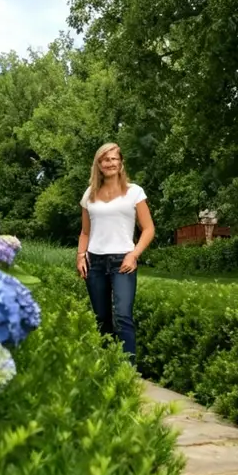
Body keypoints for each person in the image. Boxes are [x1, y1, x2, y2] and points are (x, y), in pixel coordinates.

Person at [77, 142, 155, 365]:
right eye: (104, 159)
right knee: (101, 318)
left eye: (113, 158)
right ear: (98, 164)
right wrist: (80, 256)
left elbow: (148, 229)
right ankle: (107, 368)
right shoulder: (90, 195)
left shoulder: (134, 192)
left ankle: (126, 372)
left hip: (123, 261)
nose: (109, 163)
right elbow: (84, 232)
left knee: (122, 317)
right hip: (95, 263)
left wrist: (134, 254)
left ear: (121, 163)